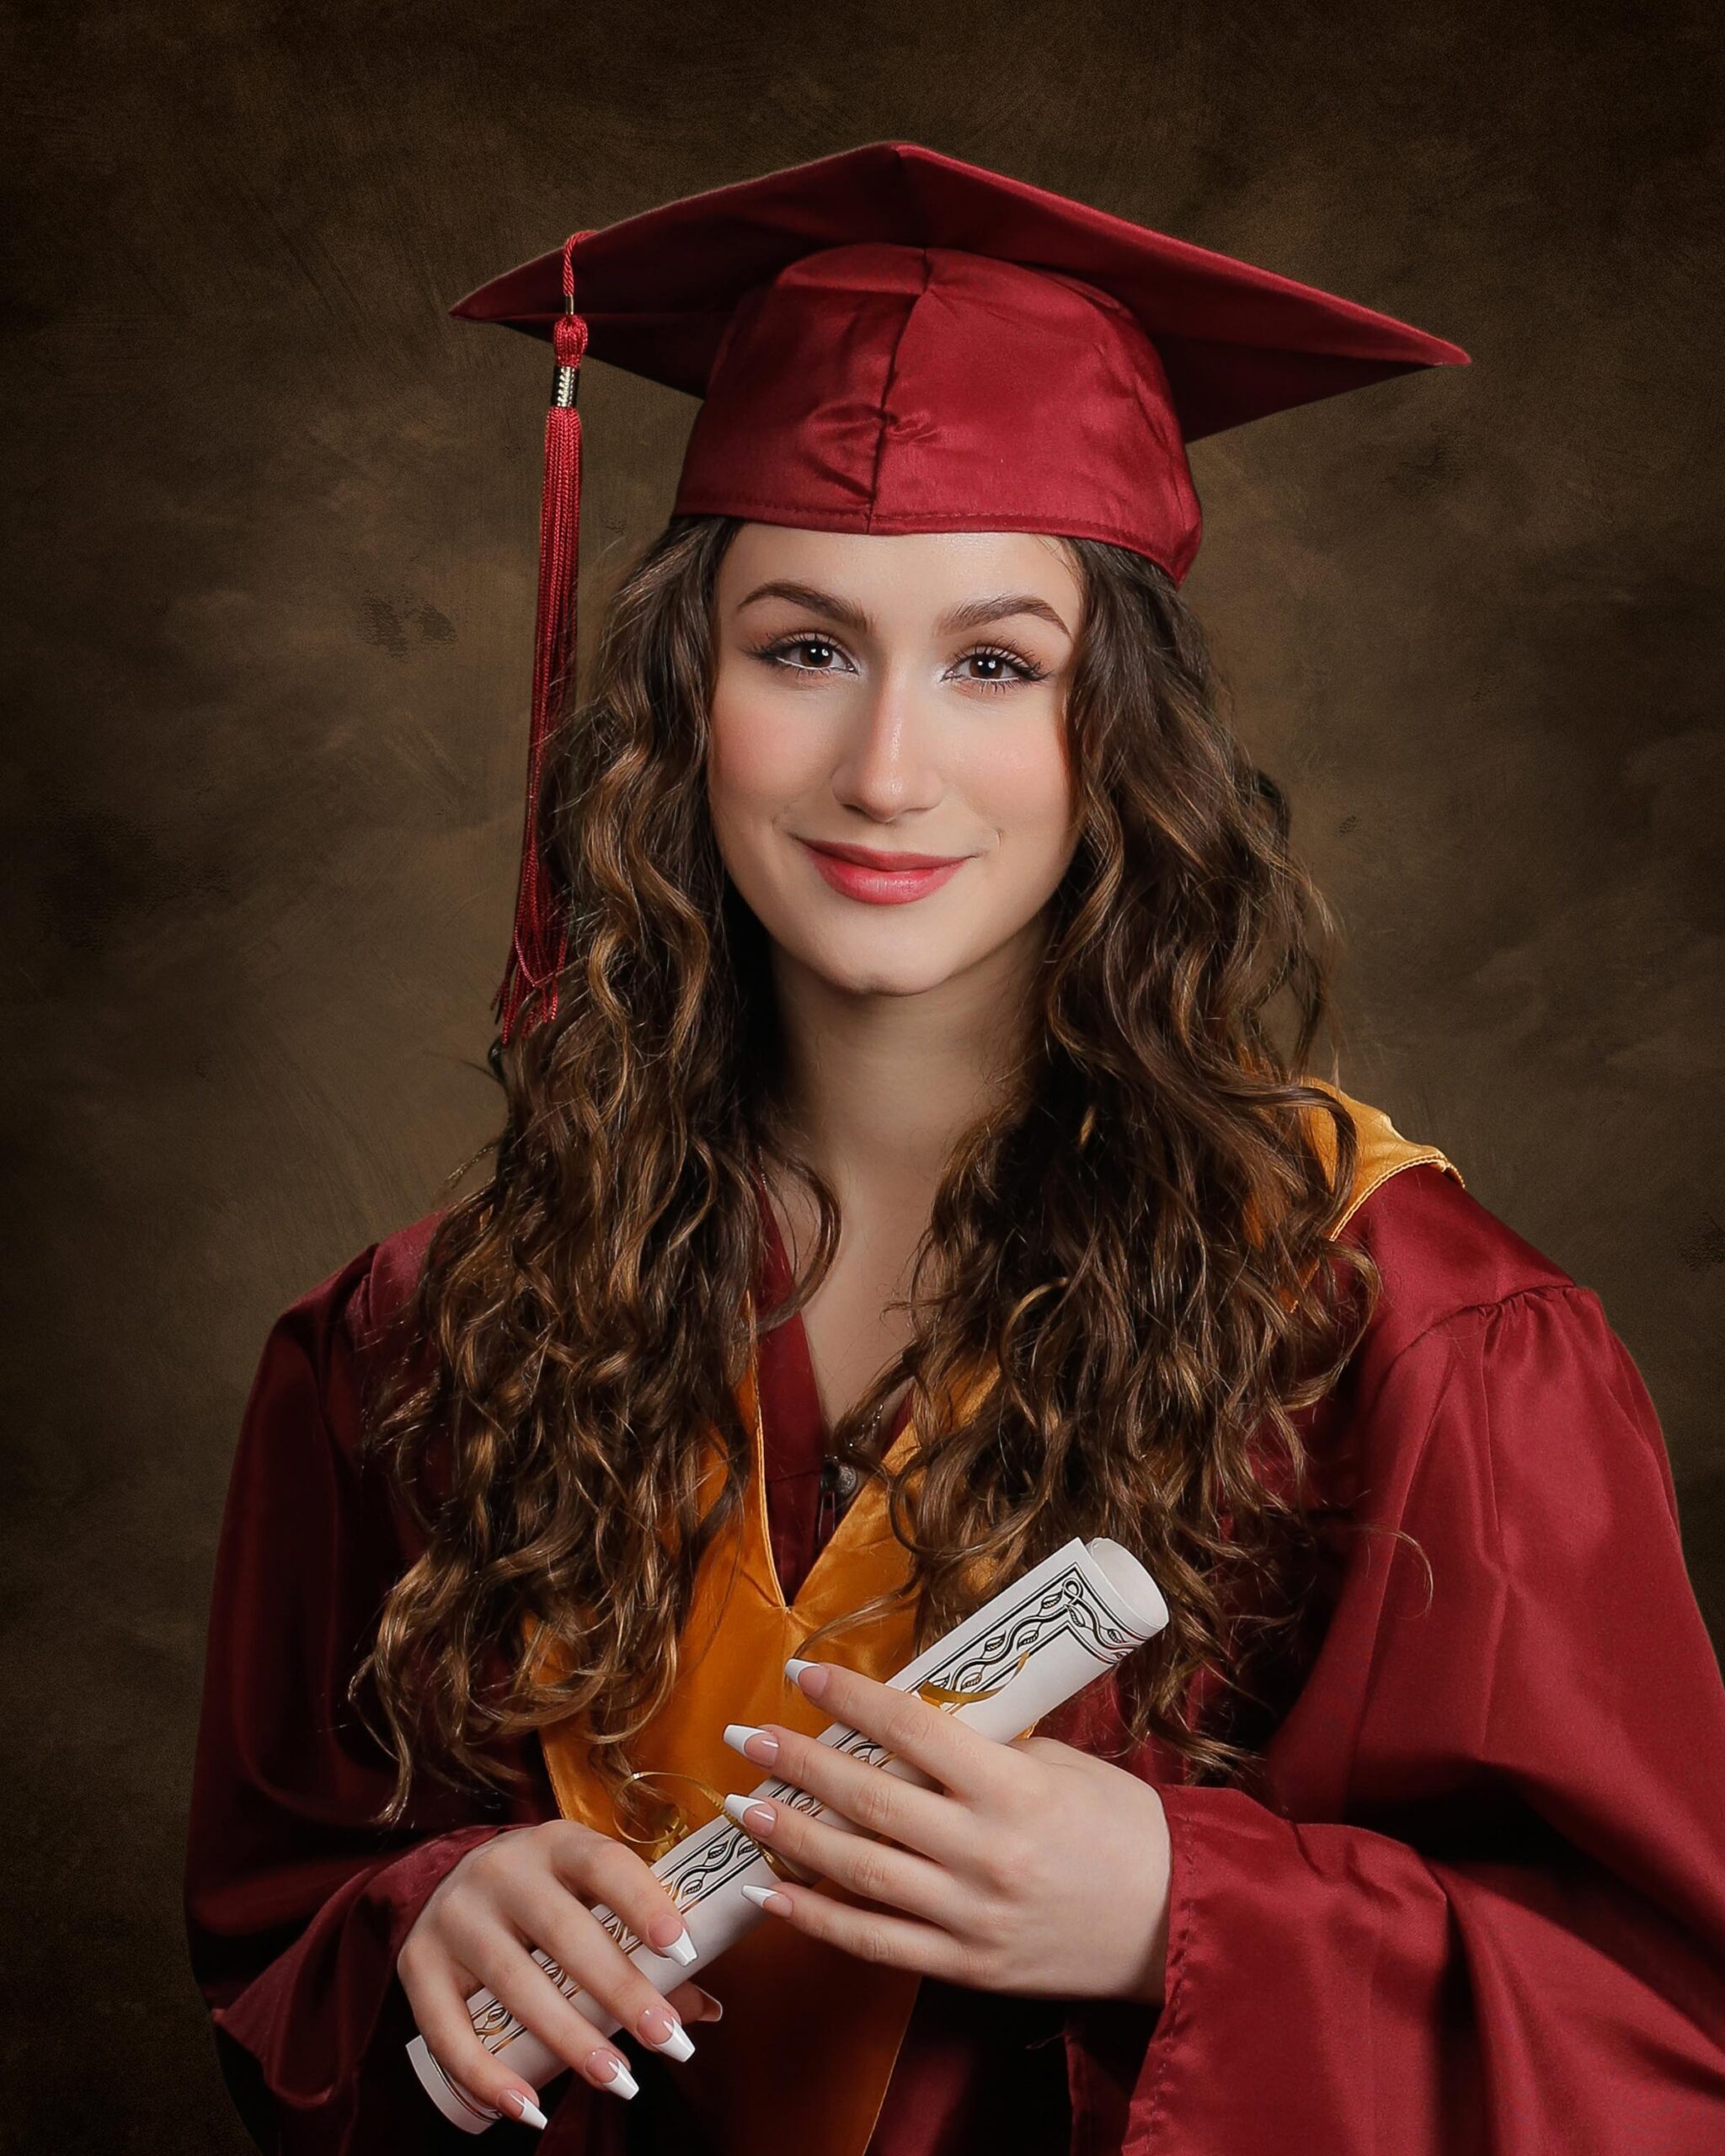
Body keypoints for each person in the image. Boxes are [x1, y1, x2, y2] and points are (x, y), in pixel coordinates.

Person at [184, 142, 1725, 2156]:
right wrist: (423, 1922)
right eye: (801, 646)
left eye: (997, 662)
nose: (886, 767)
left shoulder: (1403, 1327)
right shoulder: (426, 1332)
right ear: (683, 694)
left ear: (1124, 732)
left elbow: (1657, 2050)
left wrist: (1186, 1911)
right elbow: (276, 1950)